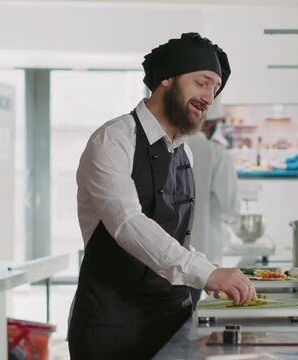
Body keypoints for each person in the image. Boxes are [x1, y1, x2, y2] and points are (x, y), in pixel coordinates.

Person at [68, 33, 256, 360]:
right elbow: (128, 223)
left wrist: (207, 267)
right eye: (203, 82)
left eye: (215, 88)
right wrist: (205, 273)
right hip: (112, 325)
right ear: (167, 78)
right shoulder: (112, 141)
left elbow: (172, 236)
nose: (209, 97)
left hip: (171, 318)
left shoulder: (184, 153)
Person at [185, 98, 240, 305]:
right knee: (198, 313)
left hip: (169, 254)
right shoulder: (216, 154)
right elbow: (229, 208)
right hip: (205, 254)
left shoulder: (170, 146)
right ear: (208, 124)